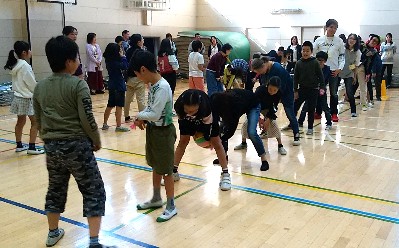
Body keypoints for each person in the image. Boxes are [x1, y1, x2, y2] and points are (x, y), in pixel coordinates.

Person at [33, 35, 113, 248]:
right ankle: (94, 241)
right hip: (76, 145)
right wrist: (95, 140)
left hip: (51, 146)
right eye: (77, 57)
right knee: (93, 189)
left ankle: (52, 233)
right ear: (69, 61)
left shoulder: (40, 87)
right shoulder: (78, 85)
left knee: (55, 188)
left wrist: (48, 138)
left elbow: (38, 119)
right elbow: (87, 119)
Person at [132, 50, 178, 222]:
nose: (138, 78)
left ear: (143, 69)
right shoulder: (153, 86)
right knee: (155, 166)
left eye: (137, 74)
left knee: (166, 170)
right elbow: (150, 110)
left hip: (164, 133)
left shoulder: (163, 87)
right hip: (154, 131)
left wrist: (139, 116)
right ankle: (156, 198)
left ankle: (171, 205)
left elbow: (155, 113)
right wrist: (142, 117)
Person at [172, 89, 231, 190]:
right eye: (187, 110)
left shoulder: (205, 108)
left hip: (208, 120)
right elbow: (184, 122)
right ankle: (173, 171)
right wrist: (192, 130)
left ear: (198, 106)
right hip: (187, 121)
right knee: (183, 141)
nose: (189, 113)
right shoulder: (178, 106)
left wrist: (207, 140)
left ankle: (225, 174)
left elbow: (209, 131)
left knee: (216, 142)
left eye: (192, 111)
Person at [211, 89, 270, 171]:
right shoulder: (215, 101)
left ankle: (264, 160)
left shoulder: (234, 105)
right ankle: (224, 156)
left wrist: (219, 139)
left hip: (253, 104)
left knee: (252, 132)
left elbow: (231, 130)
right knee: (222, 130)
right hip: (243, 101)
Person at [4, 41, 44, 155]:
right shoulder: (25, 66)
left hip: (17, 97)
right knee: (35, 122)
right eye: (29, 50)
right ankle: (31, 147)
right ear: (24, 52)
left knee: (20, 122)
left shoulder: (16, 64)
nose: (31, 52)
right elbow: (31, 84)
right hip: (27, 97)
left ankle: (19, 145)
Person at [252, 57, 301, 146]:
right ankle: (265, 131)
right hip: (272, 93)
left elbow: (280, 90)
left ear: (264, 65)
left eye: (260, 71)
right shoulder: (264, 71)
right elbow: (264, 85)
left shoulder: (278, 70)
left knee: (290, 113)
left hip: (285, 93)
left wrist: (272, 108)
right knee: (266, 110)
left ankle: (296, 134)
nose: (259, 74)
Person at [234, 76, 287, 155]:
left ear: (278, 89)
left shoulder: (279, 94)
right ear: (267, 85)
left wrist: (268, 120)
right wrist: (258, 118)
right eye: (270, 89)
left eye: (275, 90)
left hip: (268, 109)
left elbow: (274, 107)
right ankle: (243, 143)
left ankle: (280, 145)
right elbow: (253, 104)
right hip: (255, 107)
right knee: (246, 124)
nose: (272, 92)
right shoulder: (260, 90)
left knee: (274, 124)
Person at [313, 19, 345, 122]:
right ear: (326, 27)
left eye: (335, 28)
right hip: (321, 71)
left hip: (334, 71)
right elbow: (314, 55)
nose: (333, 29)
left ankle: (334, 113)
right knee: (320, 92)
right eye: (331, 27)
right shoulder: (319, 40)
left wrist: (339, 69)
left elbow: (342, 57)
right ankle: (318, 112)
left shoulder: (339, 41)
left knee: (334, 93)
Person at [293, 41, 325, 135]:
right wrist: (295, 90)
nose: (305, 52)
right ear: (301, 51)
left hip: (313, 90)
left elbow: (320, 76)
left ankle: (310, 127)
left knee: (311, 110)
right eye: (303, 50)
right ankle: (293, 124)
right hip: (302, 89)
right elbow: (295, 78)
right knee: (295, 107)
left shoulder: (315, 62)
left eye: (307, 51)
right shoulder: (298, 63)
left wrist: (322, 87)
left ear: (311, 52)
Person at [298, 51, 333, 129]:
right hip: (311, 90)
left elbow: (326, 80)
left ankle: (329, 122)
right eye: (318, 60)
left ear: (325, 61)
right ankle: (300, 122)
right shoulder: (312, 67)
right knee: (305, 107)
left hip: (321, 91)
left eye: (321, 60)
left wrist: (322, 88)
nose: (319, 62)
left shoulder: (327, 69)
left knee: (325, 107)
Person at [101, 43, 130, 132]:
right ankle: (118, 126)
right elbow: (125, 66)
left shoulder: (108, 61)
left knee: (110, 105)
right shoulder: (116, 62)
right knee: (119, 105)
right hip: (119, 84)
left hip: (112, 84)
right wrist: (123, 56)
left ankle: (105, 124)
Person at [124, 34, 146, 122]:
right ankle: (143, 118)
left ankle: (126, 116)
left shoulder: (128, 51)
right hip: (138, 78)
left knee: (128, 98)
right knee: (141, 99)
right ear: (138, 42)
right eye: (142, 39)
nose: (143, 41)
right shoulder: (140, 52)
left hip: (129, 78)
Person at [339, 34, 361, 116]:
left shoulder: (357, 52)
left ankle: (353, 111)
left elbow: (355, 65)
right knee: (335, 93)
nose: (352, 40)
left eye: (354, 39)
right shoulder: (342, 48)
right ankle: (332, 110)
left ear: (356, 41)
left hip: (349, 73)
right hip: (339, 71)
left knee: (350, 92)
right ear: (348, 39)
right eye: (350, 38)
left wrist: (354, 76)